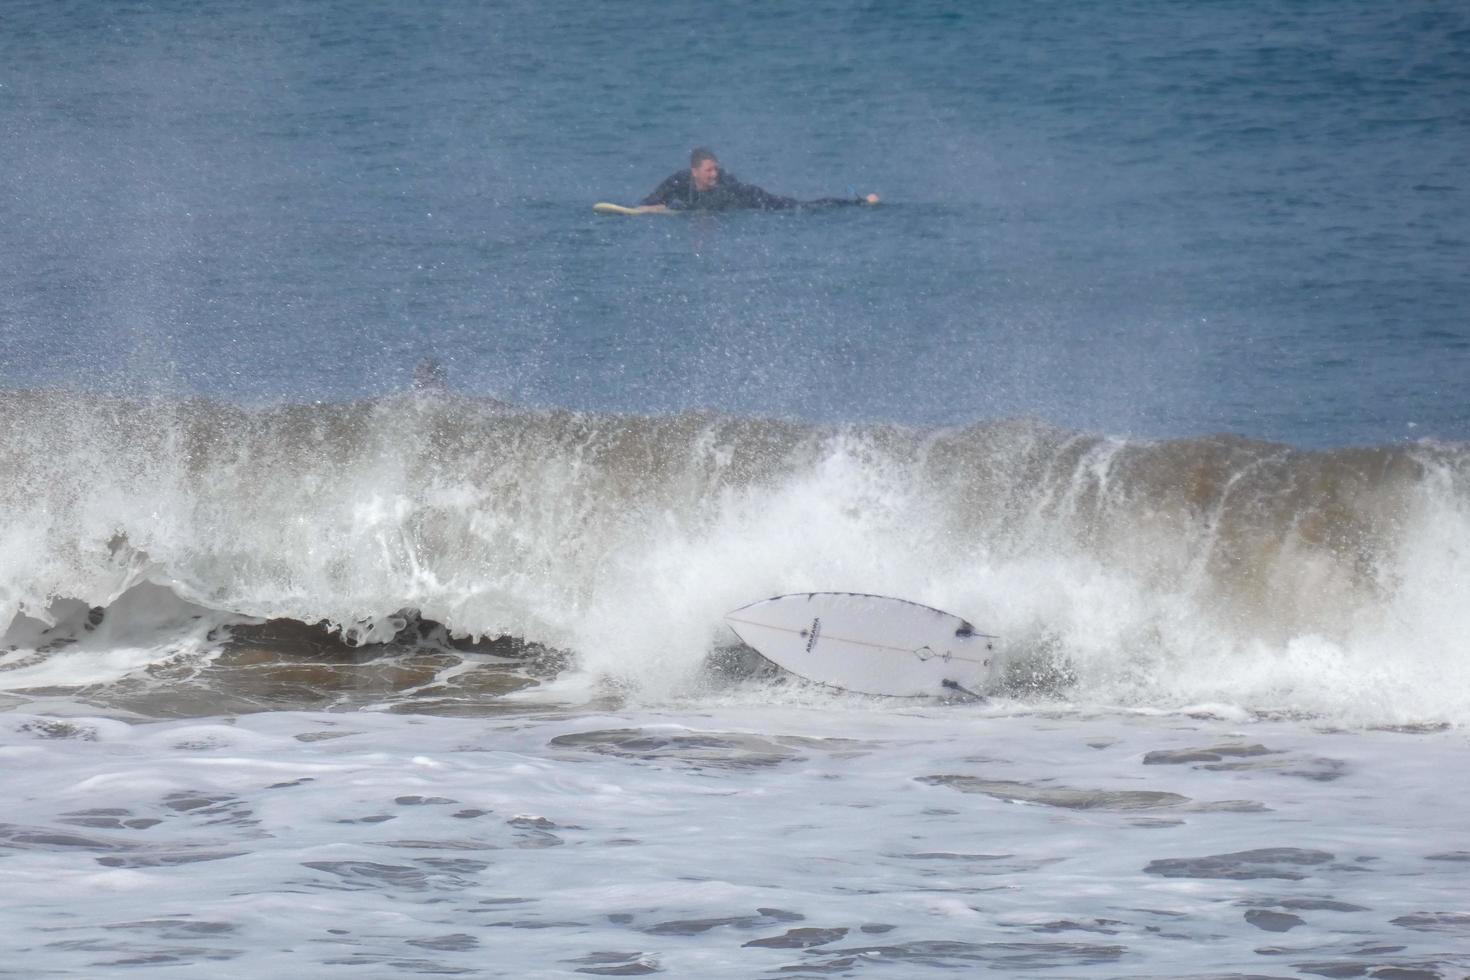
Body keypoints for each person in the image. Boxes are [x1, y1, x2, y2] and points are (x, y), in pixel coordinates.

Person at [637, 147, 880, 213]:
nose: (714, 174)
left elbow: (706, 207)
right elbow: (648, 200)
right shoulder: (679, 181)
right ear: (695, 171)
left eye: (716, 170)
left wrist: (670, 208)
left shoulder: (726, 186)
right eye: (709, 171)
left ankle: (856, 203)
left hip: (753, 200)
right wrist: (650, 207)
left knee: (799, 206)